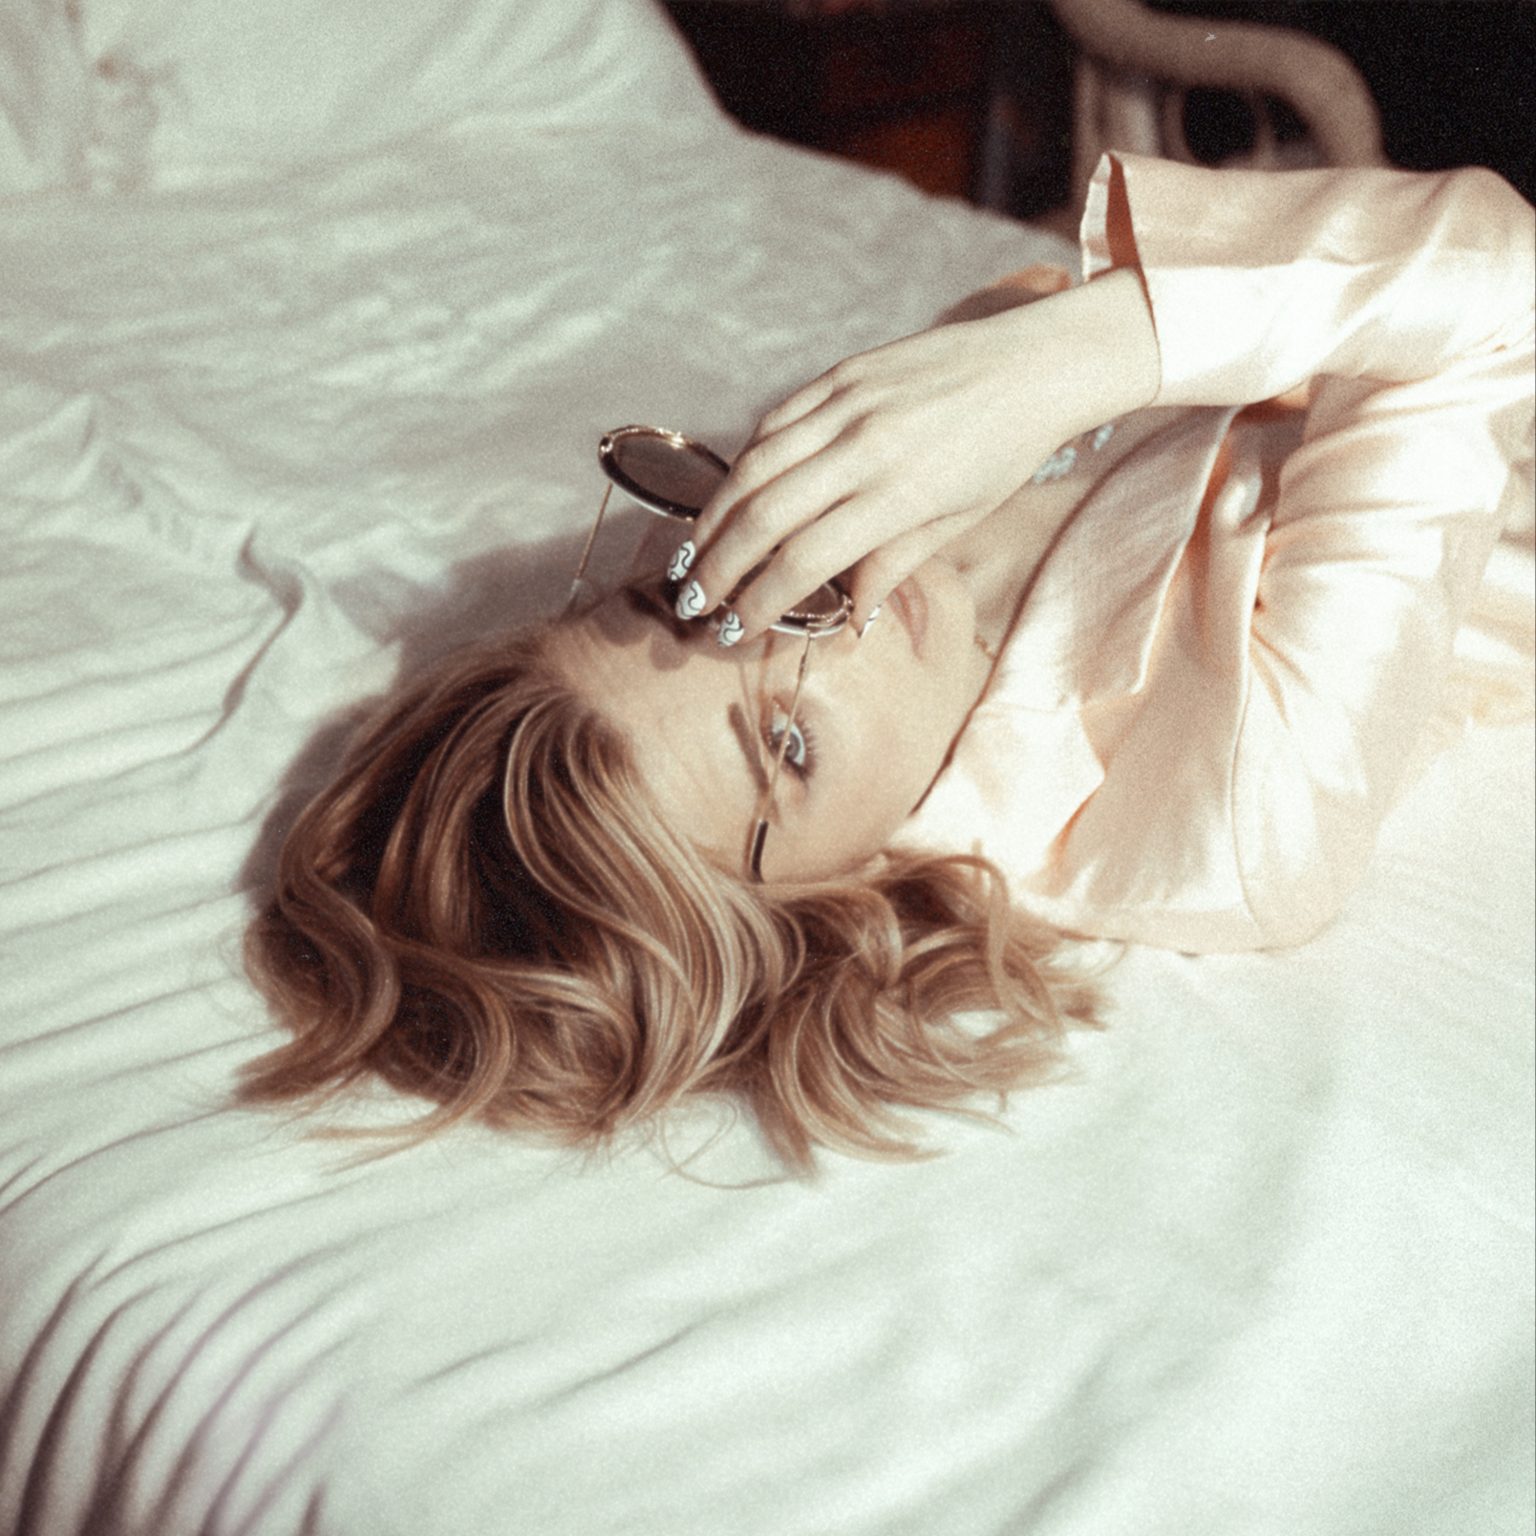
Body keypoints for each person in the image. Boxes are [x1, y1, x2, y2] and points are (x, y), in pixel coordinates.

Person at [241, 154, 1534, 1169]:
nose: (826, 622)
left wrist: (999, 382)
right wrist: (1054, 365)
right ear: (836, 907)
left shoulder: (836, 539)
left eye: (697, 610)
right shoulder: (1233, 816)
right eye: (788, 747)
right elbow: (1501, 280)